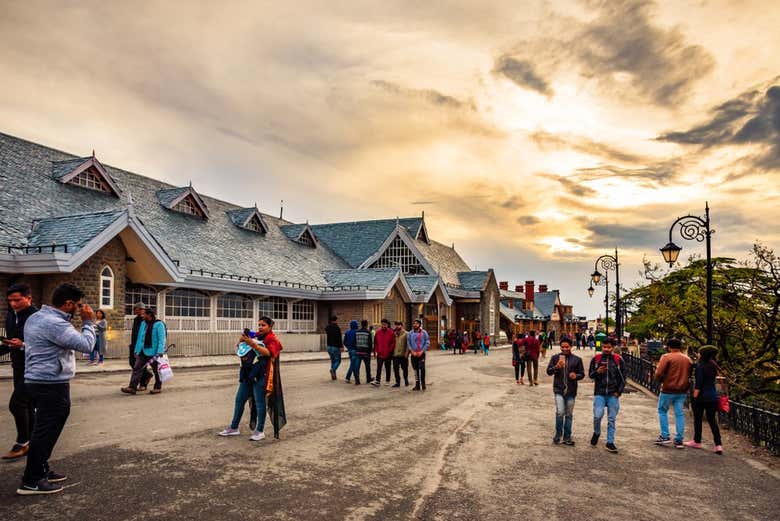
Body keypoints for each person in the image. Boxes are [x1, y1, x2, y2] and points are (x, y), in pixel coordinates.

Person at [17, 283, 95, 495]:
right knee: (45, 432)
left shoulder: (36, 317)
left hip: (36, 380)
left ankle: (41, 469)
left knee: (43, 430)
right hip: (50, 383)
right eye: (78, 305)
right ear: (68, 303)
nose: (80, 309)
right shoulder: (56, 324)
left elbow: (40, 344)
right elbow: (86, 345)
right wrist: (88, 322)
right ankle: (32, 480)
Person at [218, 316, 284, 441]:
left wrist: (253, 344)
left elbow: (269, 353)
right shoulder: (256, 335)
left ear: (270, 327)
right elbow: (241, 347)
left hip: (262, 374)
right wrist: (242, 339)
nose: (260, 327)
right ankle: (234, 427)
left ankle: (260, 431)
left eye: (263, 325)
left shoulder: (272, 339)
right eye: (259, 324)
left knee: (259, 403)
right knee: (239, 399)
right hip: (248, 373)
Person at [1, 283, 38, 460]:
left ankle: (22, 442)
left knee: (16, 404)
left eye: (17, 300)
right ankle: (32, 441)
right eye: (10, 301)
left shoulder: (38, 317)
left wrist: (23, 345)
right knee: (27, 405)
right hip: (18, 366)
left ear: (29, 298)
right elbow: (10, 342)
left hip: (35, 368)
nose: (13, 304)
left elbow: (47, 345)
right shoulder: (10, 315)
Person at [653, 338, 693, 448]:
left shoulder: (666, 357)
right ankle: (679, 439)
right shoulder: (688, 359)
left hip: (668, 389)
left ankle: (665, 436)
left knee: (662, 411)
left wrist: (660, 380)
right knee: (679, 414)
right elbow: (690, 374)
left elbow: (659, 373)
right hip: (682, 390)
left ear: (669, 347)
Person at [589, 338, 626, 453]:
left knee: (611, 419)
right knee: (597, 416)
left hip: (613, 394)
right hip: (600, 392)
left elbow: (623, 377)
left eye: (609, 347)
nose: (606, 349)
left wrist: (618, 392)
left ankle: (610, 442)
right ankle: (597, 432)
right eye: (604, 347)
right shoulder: (596, 359)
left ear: (613, 348)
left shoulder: (618, 360)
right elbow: (591, 375)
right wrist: (597, 372)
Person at [546, 336, 584, 445]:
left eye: (566, 347)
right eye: (562, 347)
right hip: (558, 389)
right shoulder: (555, 358)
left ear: (571, 347)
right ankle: (558, 435)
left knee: (568, 414)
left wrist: (575, 376)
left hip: (571, 391)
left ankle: (567, 437)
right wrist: (556, 367)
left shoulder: (577, 360)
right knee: (560, 412)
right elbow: (548, 371)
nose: (564, 349)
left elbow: (582, 374)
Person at [685, 345, 723, 454]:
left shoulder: (700, 366)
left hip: (701, 396)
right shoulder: (713, 366)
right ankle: (718, 445)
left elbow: (699, 384)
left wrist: (695, 397)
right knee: (712, 421)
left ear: (702, 355)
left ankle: (697, 441)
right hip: (713, 396)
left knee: (698, 419)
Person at [121, 308, 166, 395]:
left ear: (149, 315)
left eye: (144, 314)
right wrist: (136, 351)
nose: (143, 315)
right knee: (137, 368)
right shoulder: (143, 324)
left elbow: (162, 339)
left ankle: (157, 387)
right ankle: (132, 387)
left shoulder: (159, 324)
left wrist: (160, 351)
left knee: (157, 370)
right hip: (143, 351)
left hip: (154, 352)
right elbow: (140, 338)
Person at [128, 302, 152, 391]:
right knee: (132, 363)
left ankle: (142, 384)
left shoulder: (145, 320)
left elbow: (144, 335)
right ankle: (147, 375)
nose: (135, 311)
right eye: (135, 309)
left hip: (142, 347)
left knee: (140, 365)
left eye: (137, 309)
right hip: (134, 345)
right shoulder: (136, 319)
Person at [407, 319, 429, 391]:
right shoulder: (410, 333)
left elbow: (427, 342)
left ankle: (423, 383)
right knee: (415, 369)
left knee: (422, 368)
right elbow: (408, 343)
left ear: (419, 325)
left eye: (416, 324)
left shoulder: (424, 333)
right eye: (414, 323)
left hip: (421, 354)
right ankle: (417, 385)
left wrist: (422, 351)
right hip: (413, 354)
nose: (414, 325)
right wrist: (412, 351)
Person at [372, 319, 395, 387]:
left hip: (388, 353)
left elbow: (393, 343)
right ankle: (377, 381)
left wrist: (390, 350)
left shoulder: (391, 333)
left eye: (385, 324)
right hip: (380, 353)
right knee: (379, 367)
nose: (383, 325)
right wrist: (376, 351)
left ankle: (387, 381)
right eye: (382, 324)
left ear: (387, 325)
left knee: (388, 367)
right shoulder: (378, 332)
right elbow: (375, 342)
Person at [353, 319, 373, 385]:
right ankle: (368, 379)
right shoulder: (368, 332)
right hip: (366, 352)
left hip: (358, 352)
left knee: (357, 367)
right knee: (367, 366)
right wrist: (369, 352)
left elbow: (354, 342)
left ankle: (357, 380)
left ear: (361, 324)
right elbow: (370, 344)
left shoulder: (357, 332)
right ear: (367, 325)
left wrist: (356, 349)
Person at [324, 316, 343, 381]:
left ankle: (334, 376)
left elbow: (326, 330)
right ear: (336, 320)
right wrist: (341, 346)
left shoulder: (327, 327)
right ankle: (333, 370)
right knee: (338, 361)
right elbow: (339, 338)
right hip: (336, 347)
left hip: (329, 346)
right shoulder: (337, 328)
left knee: (333, 361)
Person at [391, 321, 409, 387]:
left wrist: (406, 354)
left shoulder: (406, 333)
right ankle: (397, 382)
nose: (397, 326)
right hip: (395, 355)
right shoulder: (393, 333)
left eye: (398, 325)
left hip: (403, 355)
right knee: (395, 369)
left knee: (404, 368)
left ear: (401, 325)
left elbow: (408, 345)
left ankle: (406, 379)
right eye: (396, 325)